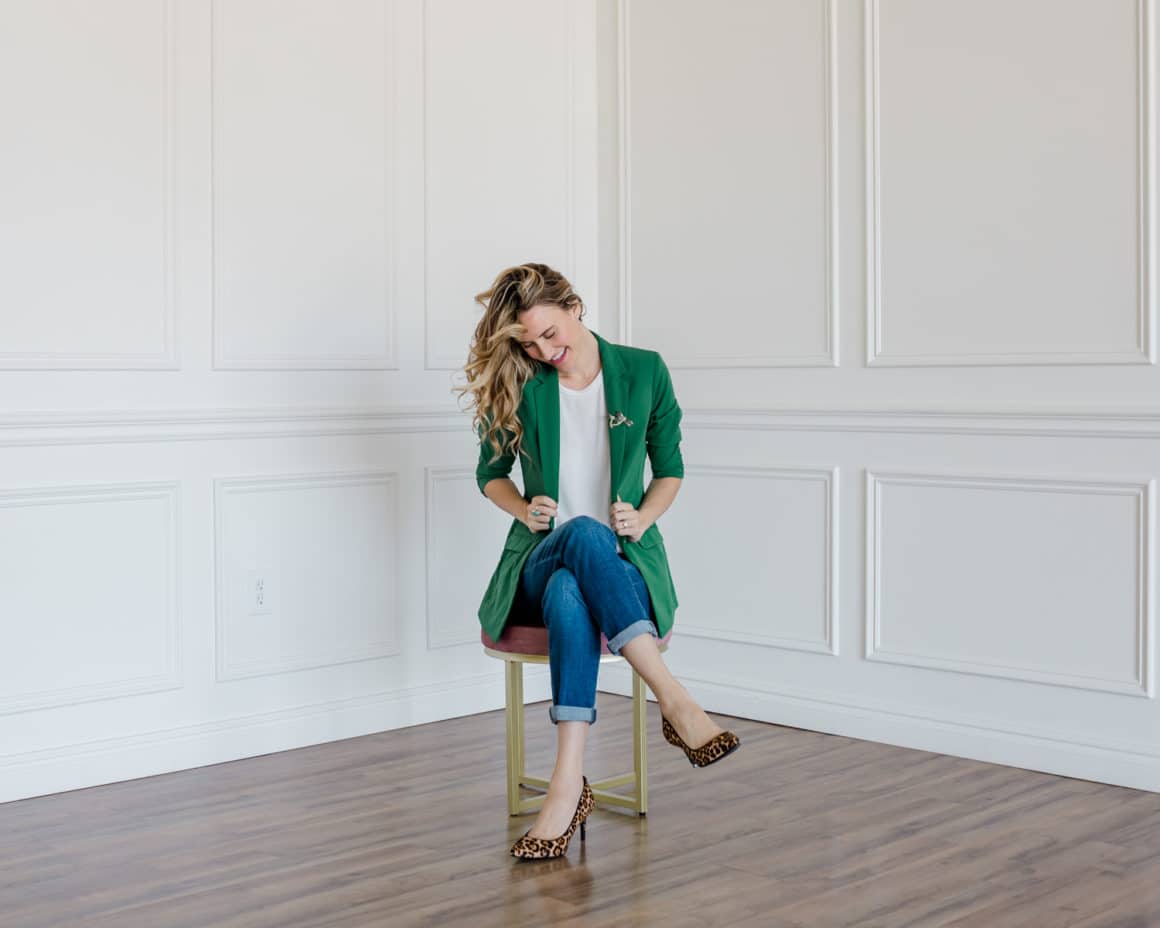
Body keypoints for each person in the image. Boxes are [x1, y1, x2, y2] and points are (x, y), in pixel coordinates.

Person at [457, 262, 740, 860]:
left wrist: (645, 517)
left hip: (622, 563)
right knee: (577, 540)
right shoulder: (523, 382)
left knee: (572, 589)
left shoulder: (643, 371)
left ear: (575, 307)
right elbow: (490, 474)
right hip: (538, 558)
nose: (543, 351)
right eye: (529, 343)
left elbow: (670, 470)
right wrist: (522, 508)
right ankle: (675, 701)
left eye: (550, 333)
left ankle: (566, 787)